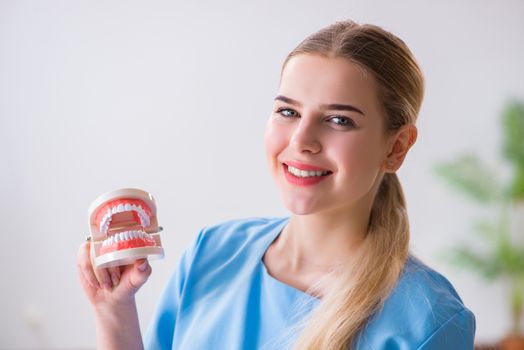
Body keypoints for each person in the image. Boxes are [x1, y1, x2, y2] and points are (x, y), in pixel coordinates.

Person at [77, 19, 476, 349]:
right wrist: (114, 313)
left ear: (396, 147)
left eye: (340, 120)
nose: (301, 141)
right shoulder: (210, 253)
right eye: (288, 111)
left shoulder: (430, 321)